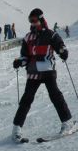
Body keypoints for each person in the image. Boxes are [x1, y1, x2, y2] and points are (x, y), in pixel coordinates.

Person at [12, 8, 73, 142]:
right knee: (27, 99)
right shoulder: (28, 37)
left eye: (34, 21)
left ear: (41, 19)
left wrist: (63, 52)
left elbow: (61, 47)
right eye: (30, 21)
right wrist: (19, 62)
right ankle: (16, 129)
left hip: (48, 70)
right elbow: (25, 57)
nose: (32, 23)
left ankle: (67, 122)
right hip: (33, 72)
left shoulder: (51, 35)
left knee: (55, 96)